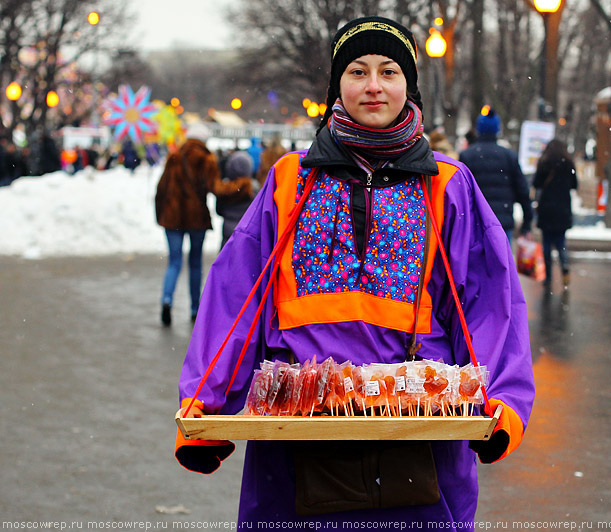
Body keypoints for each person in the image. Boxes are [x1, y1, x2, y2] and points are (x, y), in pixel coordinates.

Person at [174, 16, 535, 529]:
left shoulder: (450, 186)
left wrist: (503, 403)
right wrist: (204, 405)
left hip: (419, 439)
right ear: (336, 88)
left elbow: (490, 299)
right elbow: (237, 297)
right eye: (357, 71)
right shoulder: (290, 181)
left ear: (408, 85)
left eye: (388, 71)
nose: (373, 85)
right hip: (297, 443)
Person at [155, 127, 254, 326]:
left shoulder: (174, 158)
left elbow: (161, 190)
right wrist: (242, 184)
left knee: (174, 262)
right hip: (196, 219)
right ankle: (194, 309)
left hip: (172, 219)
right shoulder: (206, 159)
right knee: (195, 263)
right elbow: (216, 188)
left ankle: (167, 300)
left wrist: (162, 216)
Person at [459, 108, 533, 242]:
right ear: (497, 130)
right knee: (502, 261)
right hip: (502, 223)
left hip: (476, 223)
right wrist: (527, 223)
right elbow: (522, 190)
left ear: (479, 129)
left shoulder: (467, 156)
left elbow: (460, 193)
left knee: (477, 262)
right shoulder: (508, 156)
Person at [533, 138, 578, 288]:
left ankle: (548, 276)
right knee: (561, 242)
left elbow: (536, 183)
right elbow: (574, 184)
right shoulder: (568, 163)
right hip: (563, 208)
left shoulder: (544, 163)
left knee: (546, 243)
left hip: (547, 208)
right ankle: (565, 269)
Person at [216, 150, 259, 249]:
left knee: (226, 257)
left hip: (227, 228)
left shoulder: (225, 188)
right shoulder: (254, 188)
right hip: (247, 229)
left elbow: (219, 210)